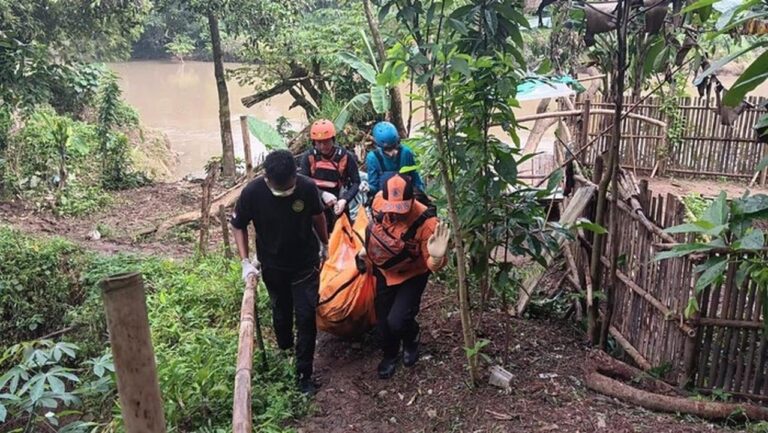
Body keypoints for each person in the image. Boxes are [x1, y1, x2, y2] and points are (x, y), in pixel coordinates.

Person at [230, 149, 329, 395]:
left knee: (306, 316)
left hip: (305, 263)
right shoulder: (253, 193)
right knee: (281, 309)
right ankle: (285, 347)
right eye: (279, 187)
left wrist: (325, 243)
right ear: (267, 178)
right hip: (272, 265)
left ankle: (304, 374)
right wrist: (245, 261)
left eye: (289, 186)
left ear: (295, 175)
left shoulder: (306, 187)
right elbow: (238, 225)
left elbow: (318, 216)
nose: (285, 190)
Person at [361, 174, 450, 379]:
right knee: (383, 320)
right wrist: (367, 250)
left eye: (401, 209)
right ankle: (390, 354)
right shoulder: (378, 202)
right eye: (392, 208)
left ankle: (411, 337)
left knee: (398, 320)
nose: (395, 214)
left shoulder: (427, 223)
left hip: (412, 274)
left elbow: (430, 264)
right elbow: (375, 230)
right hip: (385, 270)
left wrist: (437, 257)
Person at [299, 119, 361, 233]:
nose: (323, 146)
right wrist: (322, 194)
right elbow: (302, 183)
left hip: (338, 202)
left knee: (343, 235)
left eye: (326, 142)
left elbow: (356, 182)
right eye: (318, 143)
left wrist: (344, 200)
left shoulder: (345, 156)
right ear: (314, 142)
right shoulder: (308, 157)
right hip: (315, 201)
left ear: (333, 139)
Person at [365, 121, 424, 199]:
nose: (391, 154)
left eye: (394, 148)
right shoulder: (373, 158)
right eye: (387, 150)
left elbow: (416, 180)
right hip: (384, 200)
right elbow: (374, 187)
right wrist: (368, 188)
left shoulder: (406, 153)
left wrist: (420, 195)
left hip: (406, 198)